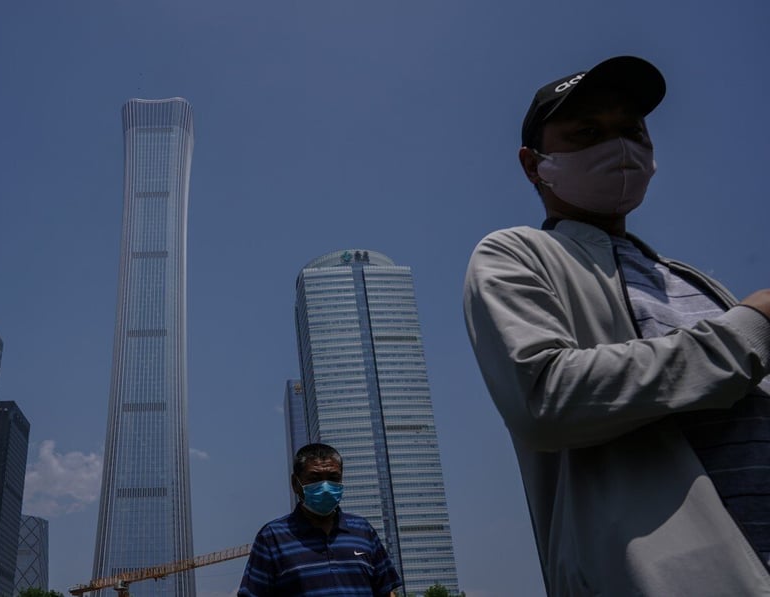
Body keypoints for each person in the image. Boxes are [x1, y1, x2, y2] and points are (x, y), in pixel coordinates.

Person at [462, 55, 770, 595]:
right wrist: (749, 329)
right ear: (534, 165)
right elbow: (545, 397)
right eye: (587, 132)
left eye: (631, 131)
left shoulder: (690, 279)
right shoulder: (517, 254)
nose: (620, 148)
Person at [237, 443, 401, 596]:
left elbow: (386, 592)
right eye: (315, 478)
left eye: (333, 478)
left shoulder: (363, 530)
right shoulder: (272, 537)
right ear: (295, 483)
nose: (325, 486)